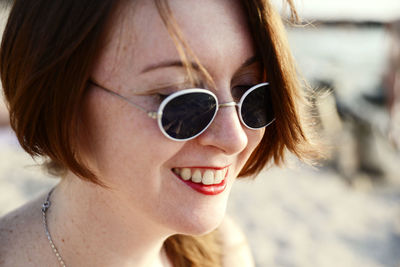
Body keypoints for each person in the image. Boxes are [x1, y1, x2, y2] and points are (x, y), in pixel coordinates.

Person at [0, 0, 318, 266]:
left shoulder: (224, 253)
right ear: (59, 100)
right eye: (180, 99)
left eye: (249, 90)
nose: (233, 137)